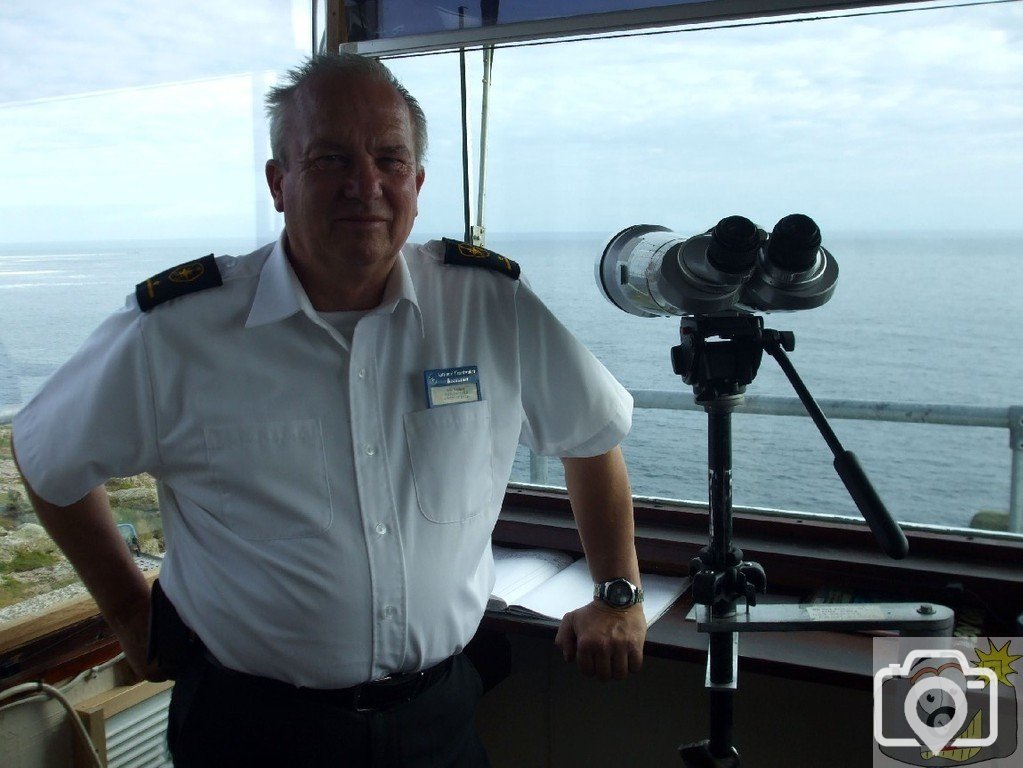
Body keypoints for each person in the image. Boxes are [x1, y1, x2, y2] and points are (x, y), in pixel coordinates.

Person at [12, 53, 645, 767]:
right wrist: (131, 613)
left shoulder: (488, 307)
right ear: (279, 184)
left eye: (389, 158)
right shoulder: (177, 331)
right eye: (330, 158)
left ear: (417, 181)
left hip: (436, 718)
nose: (364, 184)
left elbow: (591, 434)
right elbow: (46, 459)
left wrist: (617, 593)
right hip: (250, 730)